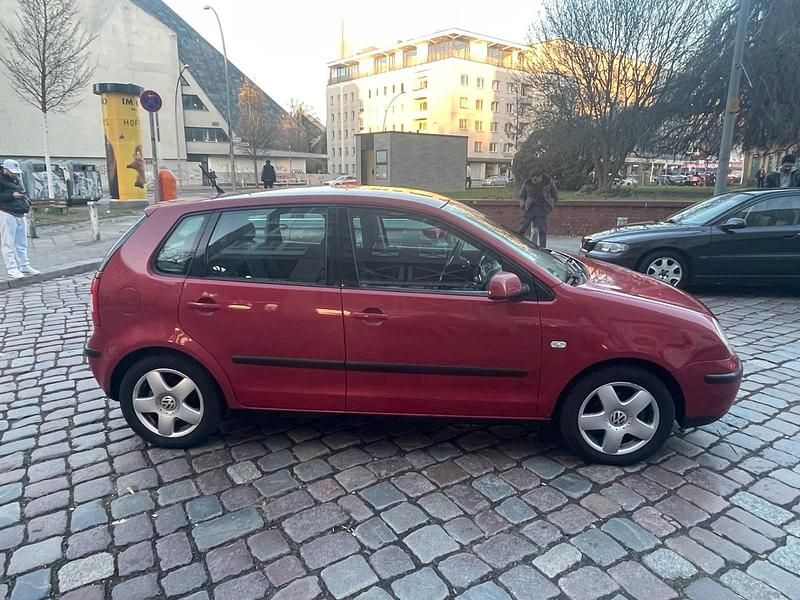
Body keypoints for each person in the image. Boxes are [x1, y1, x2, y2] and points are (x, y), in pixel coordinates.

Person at [0, 159, 38, 279]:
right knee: (8, 242)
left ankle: (24, 265)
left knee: (22, 242)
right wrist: (12, 195)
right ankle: (12, 268)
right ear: (5, 169)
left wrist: (26, 200)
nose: (15, 174)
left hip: (20, 212)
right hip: (7, 212)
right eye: (12, 172)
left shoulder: (16, 179)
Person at [518, 172, 559, 248]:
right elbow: (522, 195)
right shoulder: (528, 182)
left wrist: (550, 206)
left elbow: (555, 195)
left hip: (542, 208)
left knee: (542, 231)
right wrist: (523, 205)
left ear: (540, 177)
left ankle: (543, 249)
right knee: (522, 228)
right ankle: (517, 246)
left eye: (535, 179)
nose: (534, 181)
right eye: (532, 179)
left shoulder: (548, 182)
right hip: (529, 208)